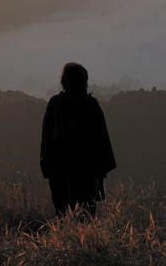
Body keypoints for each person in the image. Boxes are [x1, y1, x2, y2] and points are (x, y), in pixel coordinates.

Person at [40, 62, 116, 216]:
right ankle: (86, 240)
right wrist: (101, 172)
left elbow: (47, 139)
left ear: (64, 81)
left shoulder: (55, 104)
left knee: (62, 214)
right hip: (87, 170)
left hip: (59, 168)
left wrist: (47, 165)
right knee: (86, 214)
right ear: (84, 81)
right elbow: (102, 142)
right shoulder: (90, 104)